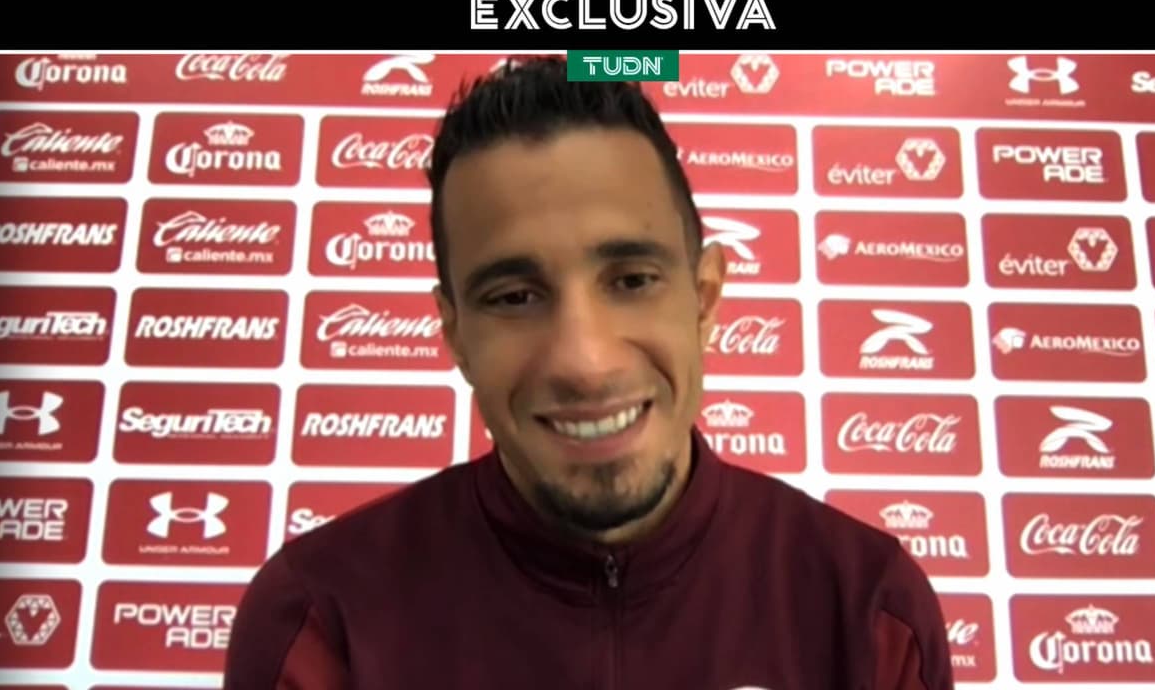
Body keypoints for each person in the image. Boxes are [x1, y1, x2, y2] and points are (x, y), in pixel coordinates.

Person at [222, 55, 955, 690]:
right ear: (456, 333)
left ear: (703, 299)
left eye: (632, 280)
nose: (585, 361)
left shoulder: (866, 605)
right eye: (515, 297)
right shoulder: (321, 617)